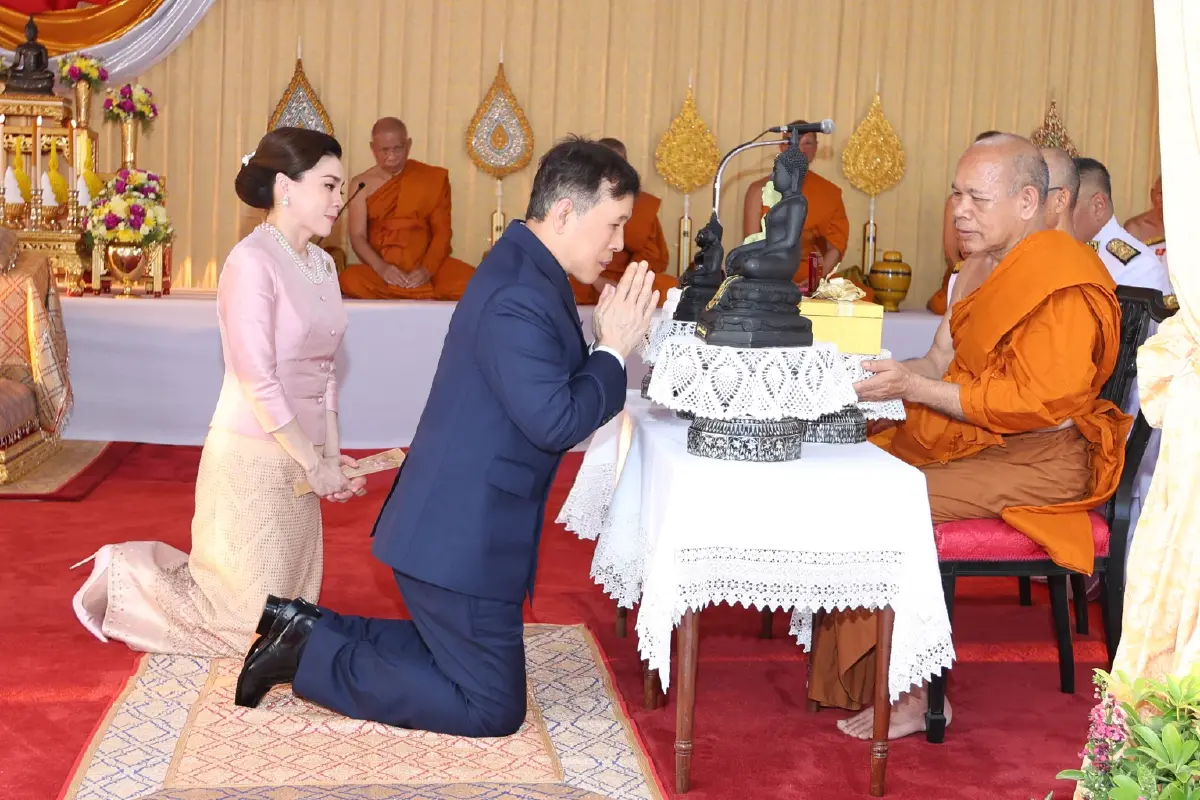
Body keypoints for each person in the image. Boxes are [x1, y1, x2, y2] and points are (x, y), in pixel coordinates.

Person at [234, 137, 659, 736]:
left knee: (460, 662)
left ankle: (301, 624)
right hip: (459, 539)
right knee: (492, 708)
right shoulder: (520, 289)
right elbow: (557, 421)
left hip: (466, 528)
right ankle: (302, 654)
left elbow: (546, 394)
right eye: (614, 224)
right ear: (565, 213)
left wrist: (607, 349)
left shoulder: (531, 268)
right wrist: (613, 350)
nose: (620, 243)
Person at [811, 134, 1129, 740]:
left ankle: (915, 694)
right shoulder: (977, 268)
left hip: (1045, 457)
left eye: (978, 199)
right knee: (857, 467)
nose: (959, 210)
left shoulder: (1065, 280)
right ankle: (863, 673)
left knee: (891, 501)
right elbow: (936, 363)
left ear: (1029, 202)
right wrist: (882, 379)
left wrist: (917, 390)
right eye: (957, 193)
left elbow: (1036, 405)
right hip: (983, 438)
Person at [69, 128, 367, 658]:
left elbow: (325, 370)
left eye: (341, 187)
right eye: (329, 185)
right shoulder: (250, 262)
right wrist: (311, 461)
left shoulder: (322, 265)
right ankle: (125, 575)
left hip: (302, 456)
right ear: (285, 188)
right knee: (243, 629)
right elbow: (258, 378)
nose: (340, 199)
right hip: (252, 456)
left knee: (286, 623)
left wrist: (329, 457)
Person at [338, 117, 476, 300]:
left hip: (427, 267)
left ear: (409, 145)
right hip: (385, 272)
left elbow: (442, 233)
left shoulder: (431, 179)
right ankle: (419, 293)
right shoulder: (361, 185)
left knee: (475, 283)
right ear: (373, 148)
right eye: (384, 150)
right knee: (350, 279)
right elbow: (358, 236)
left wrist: (426, 270)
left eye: (398, 148)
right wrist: (382, 268)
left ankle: (414, 290)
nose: (392, 156)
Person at [568, 137, 675, 306]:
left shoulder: (641, 205)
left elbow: (653, 256)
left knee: (669, 288)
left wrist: (628, 283)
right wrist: (596, 280)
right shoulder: (580, 199)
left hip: (628, 279)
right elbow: (570, 249)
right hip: (587, 278)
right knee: (564, 286)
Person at [742, 120, 849, 287]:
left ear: (815, 148)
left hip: (809, 274)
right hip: (767, 273)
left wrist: (817, 280)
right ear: (782, 147)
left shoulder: (829, 193)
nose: (799, 148)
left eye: (807, 143)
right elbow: (751, 243)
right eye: (791, 142)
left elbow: (835, 246)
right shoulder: (758, 190)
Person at [1073, 157, 1173, 296]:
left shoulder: (1139, 266)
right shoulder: (1061, 251)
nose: (1056, 214)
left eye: (1068, 206)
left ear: (1098, 206)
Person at [927, 131, 1002, 315]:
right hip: (965, 275)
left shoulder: (1008, 202)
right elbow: (951, 253)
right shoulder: (955, 203)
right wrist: (969, 274)